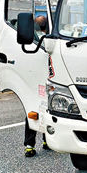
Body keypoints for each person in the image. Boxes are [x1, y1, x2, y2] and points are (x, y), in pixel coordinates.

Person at [23, 14, 50, 158]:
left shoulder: (31, 39)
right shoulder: (49, 40)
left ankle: (29, 145)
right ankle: (47, 140)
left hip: (34, 80)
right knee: (49, 108)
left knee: (33, 109)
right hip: (48, 79)